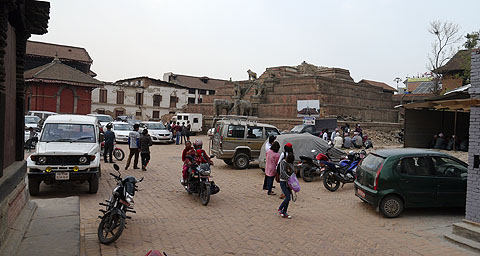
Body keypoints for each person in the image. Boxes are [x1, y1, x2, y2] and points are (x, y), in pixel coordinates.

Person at [278, 153, 295, 219]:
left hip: (288, 183)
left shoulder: (291, 163)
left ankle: (284, 212)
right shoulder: (283, 163)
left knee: (288, 198)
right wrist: (289, 177)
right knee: (288, 197)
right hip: (283, 182)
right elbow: (282, 172)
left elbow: (292, 171)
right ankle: (280, 209)